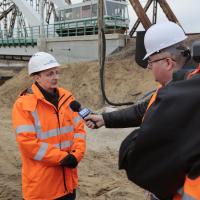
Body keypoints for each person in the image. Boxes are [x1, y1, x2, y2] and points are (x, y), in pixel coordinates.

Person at [85, 21, 200, 200]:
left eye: (151, 63)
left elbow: (136, 157)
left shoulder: (184, 98)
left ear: (168, 62)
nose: (149, 69)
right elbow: (142, 110)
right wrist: (105, 119)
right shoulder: (178, 86)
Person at [12, 52, 86, 200]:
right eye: (49, 74)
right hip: (42, 188)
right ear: (36, 77)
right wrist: (63, 158)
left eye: (57, 72)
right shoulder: (24, 105)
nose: (55, 77)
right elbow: (27, 143)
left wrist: (76, 154)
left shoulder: (67, 98)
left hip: (68, 184)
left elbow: (79, 129)